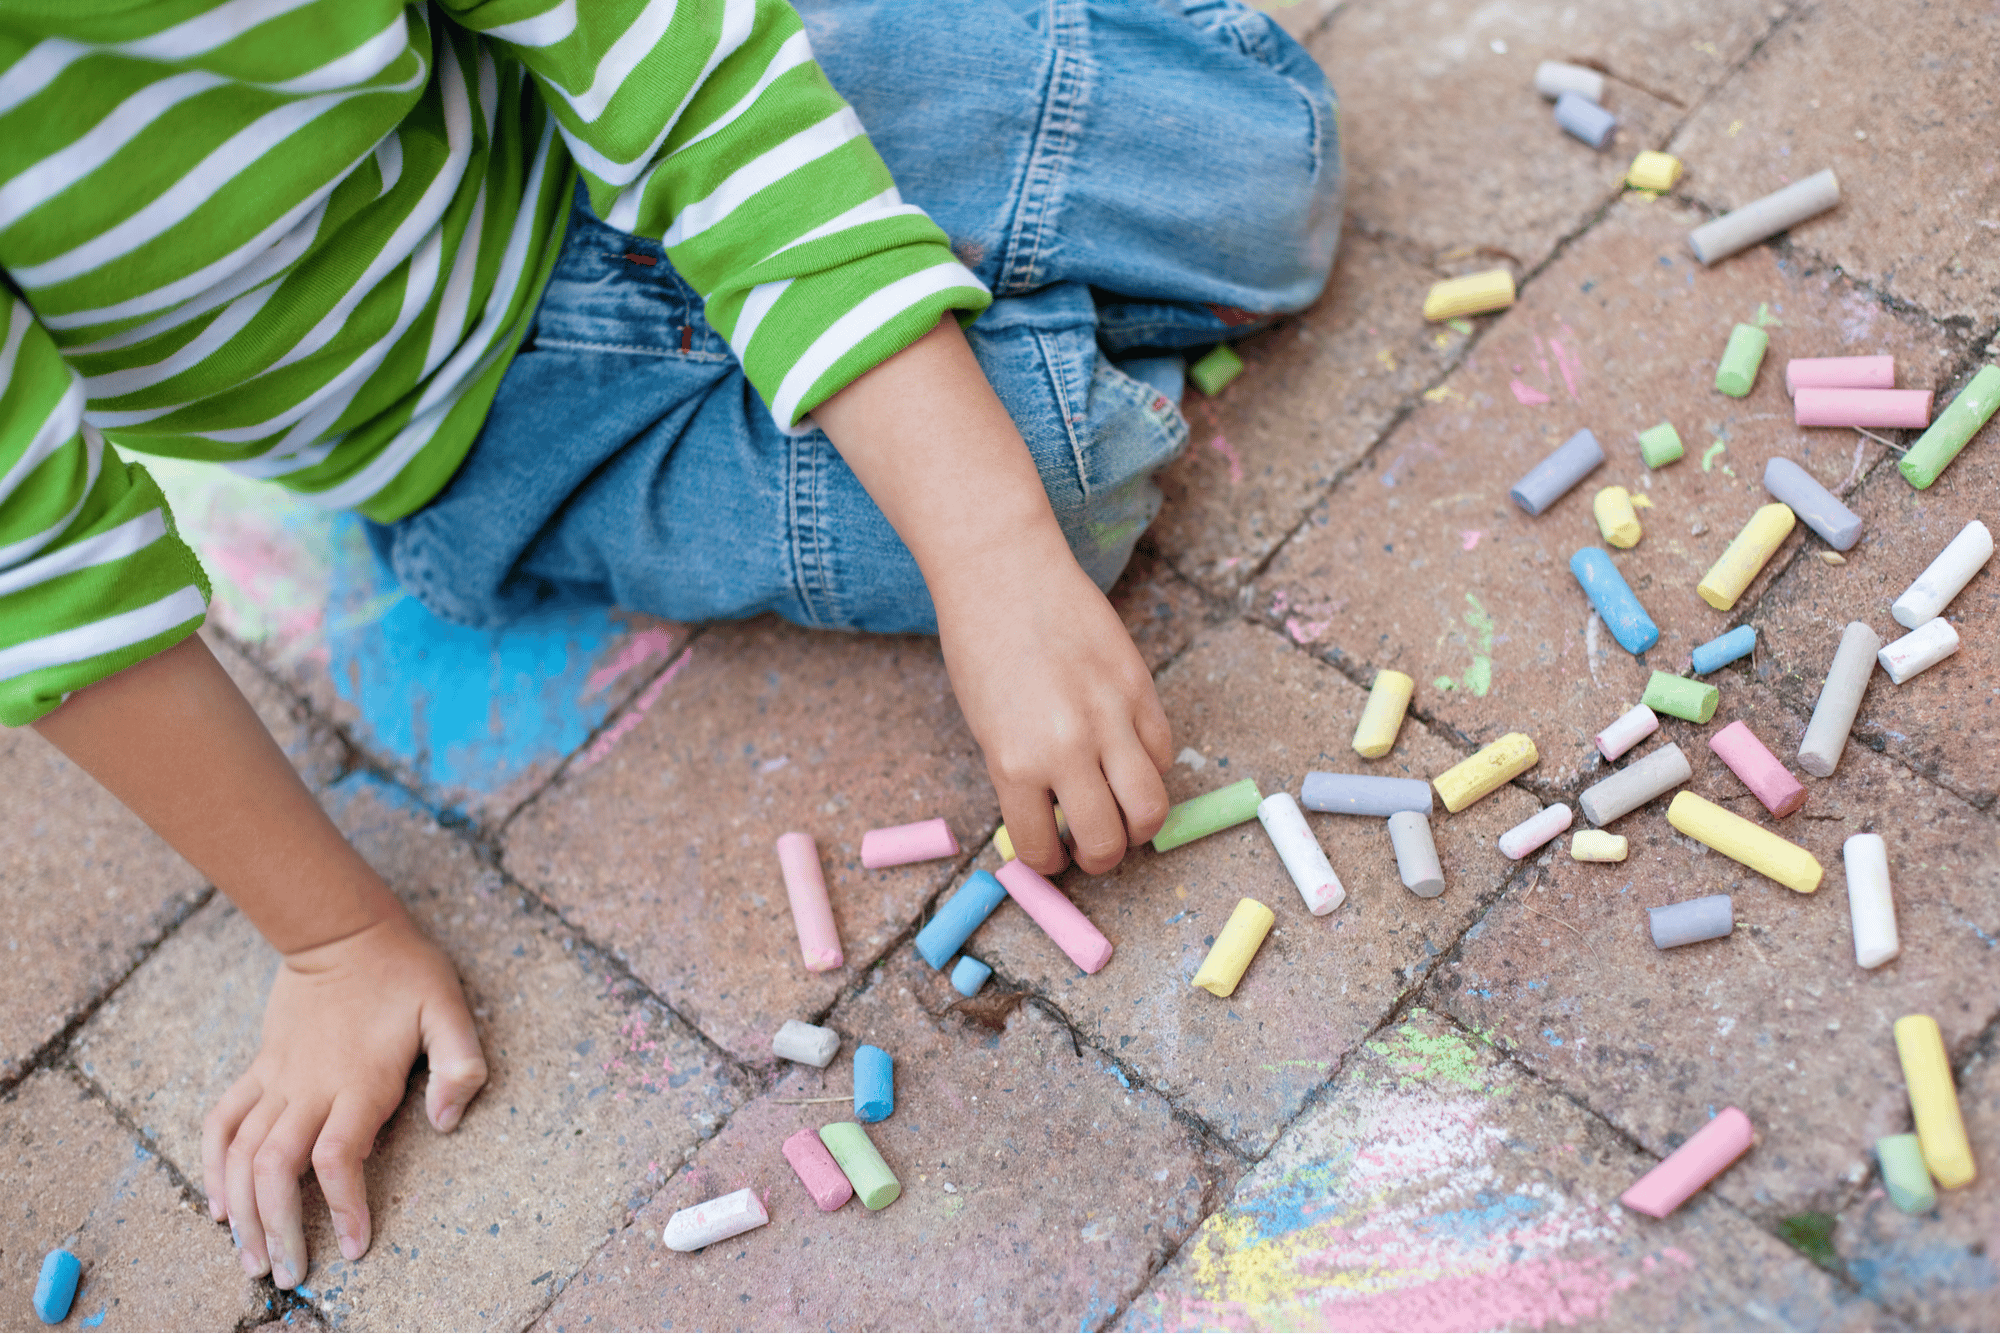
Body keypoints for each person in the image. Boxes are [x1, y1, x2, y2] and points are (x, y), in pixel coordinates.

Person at [1, 0, 1339, 1289]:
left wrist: (988, 553)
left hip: (618, 125)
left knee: (1265, 172)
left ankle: (920, 316)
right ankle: (942, 332)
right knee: (1074, 465)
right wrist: (333, 941)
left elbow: (687, 79)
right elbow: (49, 575)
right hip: (500, 429)